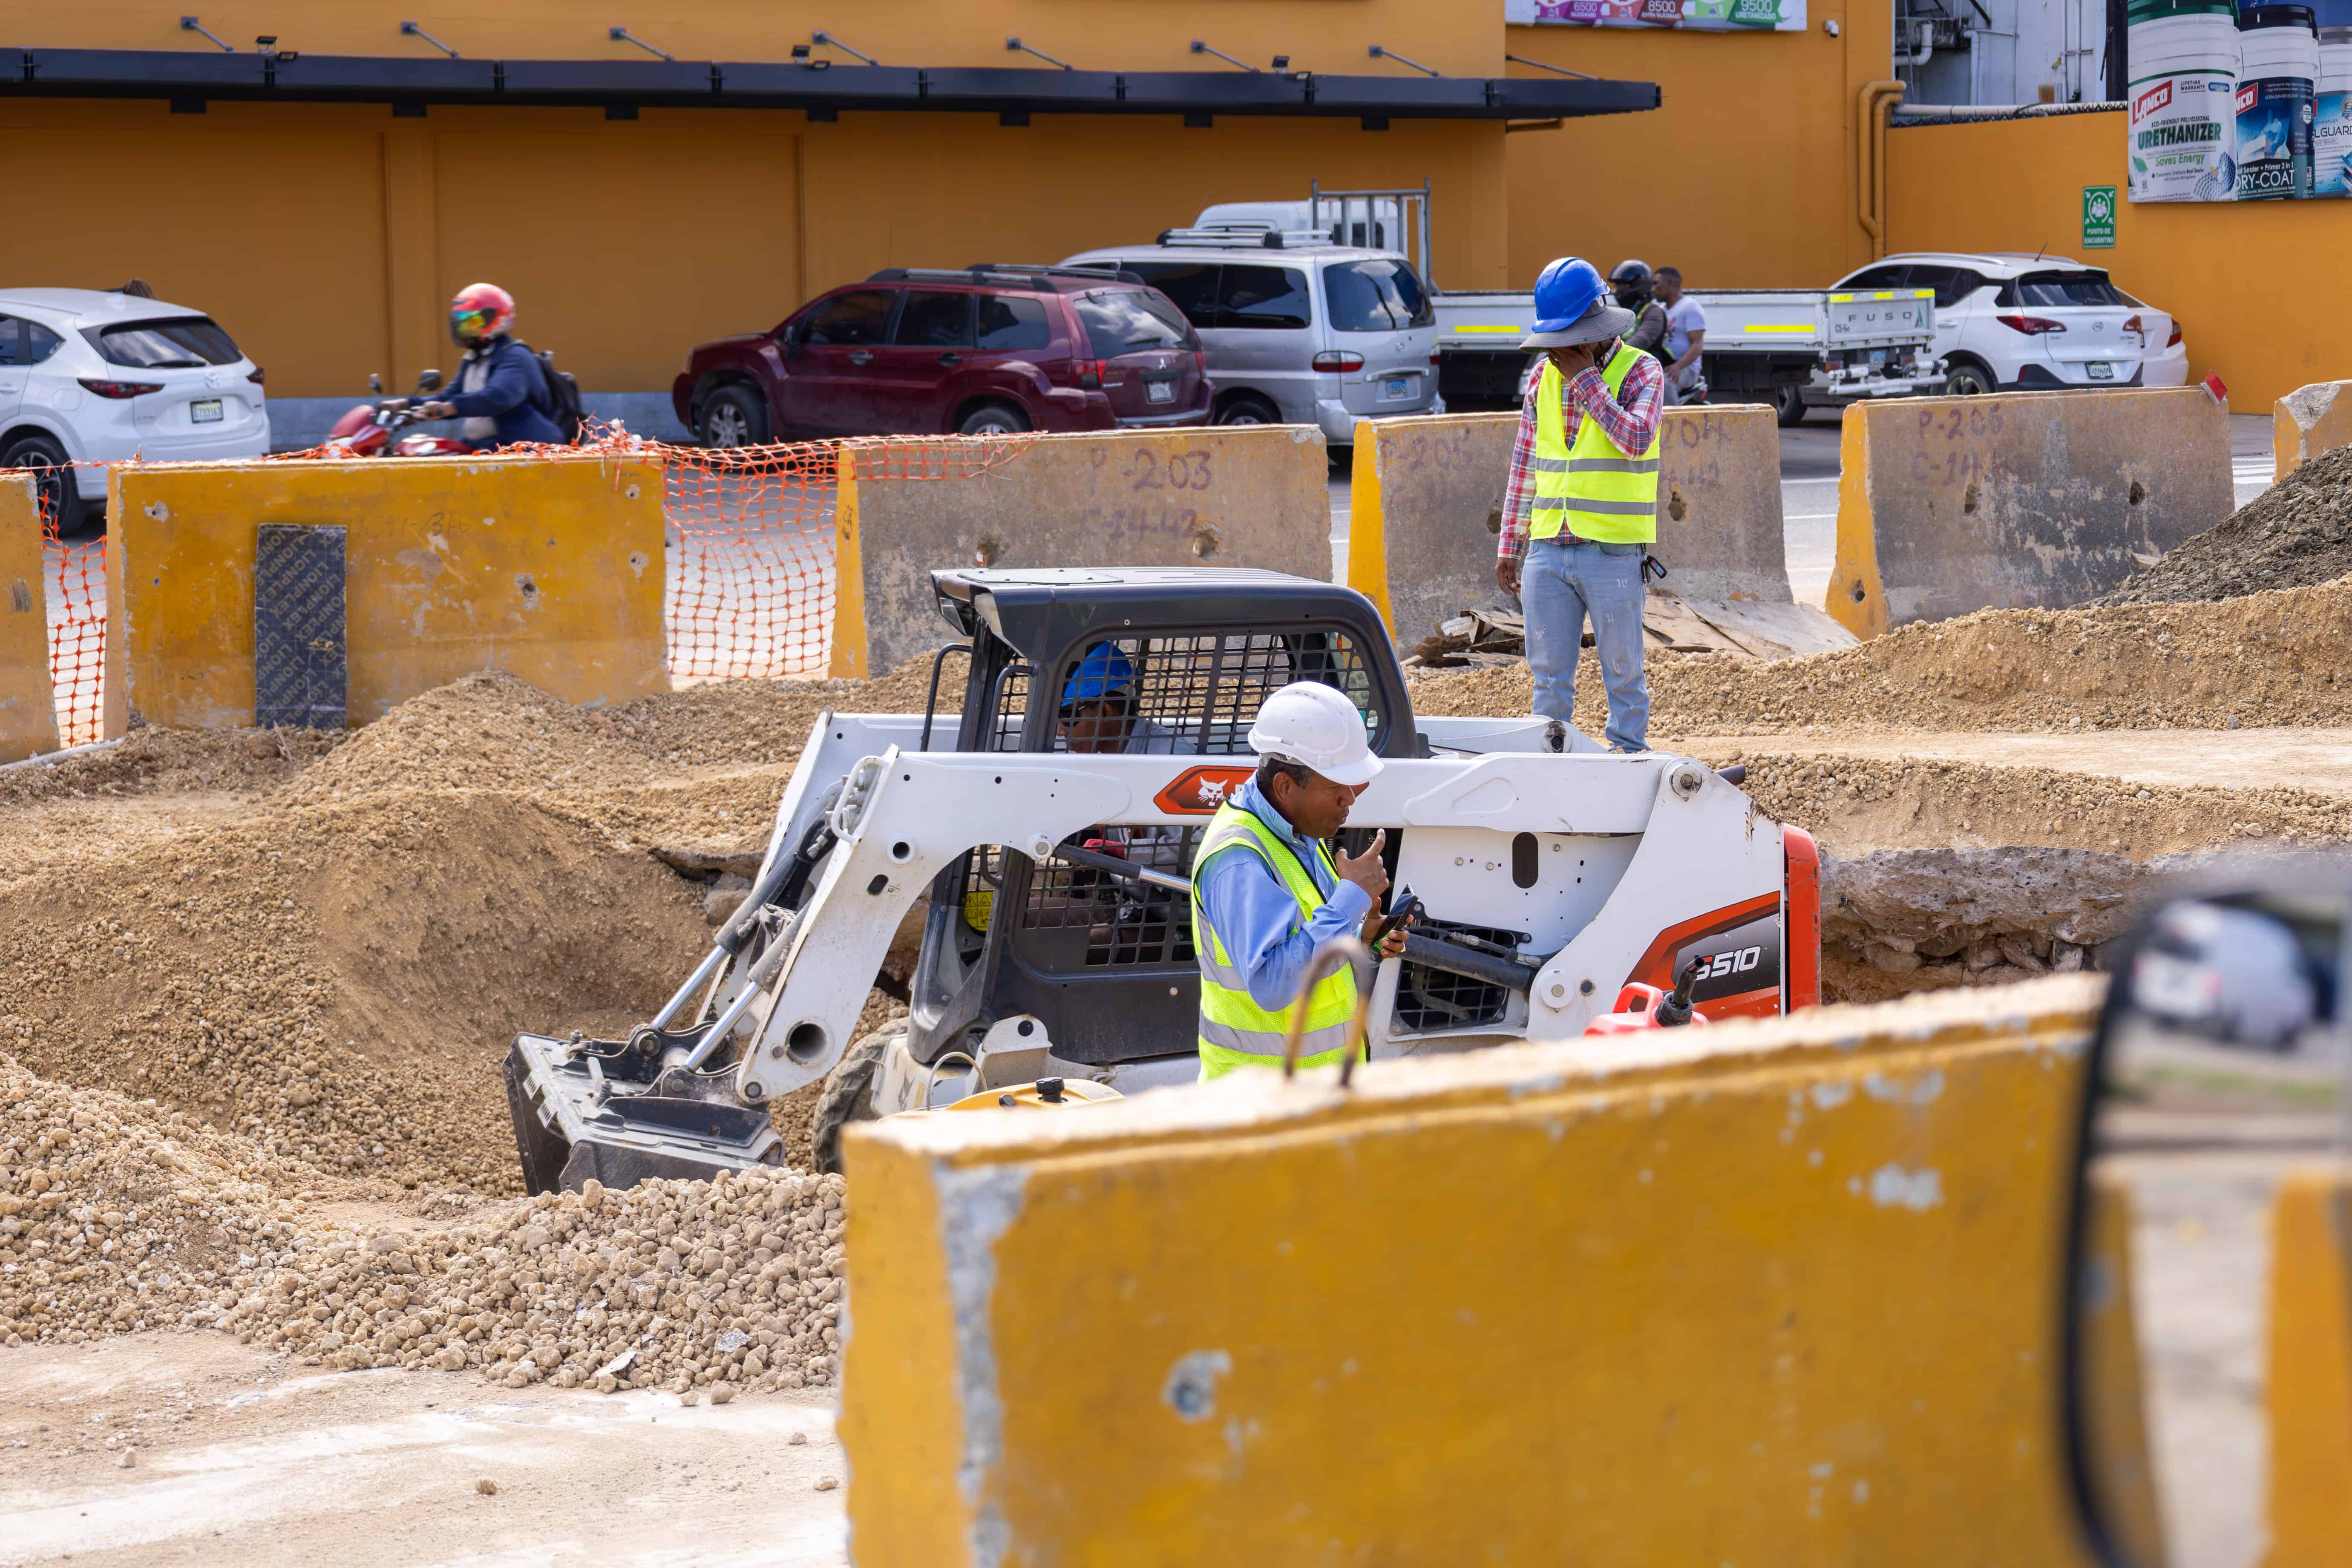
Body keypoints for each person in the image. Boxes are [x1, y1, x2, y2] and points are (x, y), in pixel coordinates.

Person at [1189, 681, 1411, 1080]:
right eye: (1335, 787)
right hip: (1263, 1109)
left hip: (1314, 1098)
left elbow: (1309, 940)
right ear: (1285, 786)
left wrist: (1363, 935)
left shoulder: (1298, 832)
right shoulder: (1238, 859)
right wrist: (1349, 898)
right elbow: (1273, 984)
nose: (1350, 798)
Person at [1494, 256, 1665, 754]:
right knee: (1547, 676)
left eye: (1568, 339)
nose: (1557, 353)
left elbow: (1635, 438)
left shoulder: (1641, 371)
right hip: (1547, 548)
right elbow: (1524, 465)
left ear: (1595, 329)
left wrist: (1587, 380)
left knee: (1622, 670)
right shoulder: (1541, 380)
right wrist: (1511, 543)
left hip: (1612, 551)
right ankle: (1551, 765)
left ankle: (1628, 754)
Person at [413, 283, 569, 449]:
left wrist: (449, 408)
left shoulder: (515, 355)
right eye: (462, 322)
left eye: (472, 322)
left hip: (519, 448)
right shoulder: (473, 357)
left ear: (497, 320)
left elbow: (499, 396)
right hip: (482, 445)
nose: (464, 328)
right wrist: (405, 405)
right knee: (433, 450)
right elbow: (450, 396)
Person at [1653, 266, 1708, 405]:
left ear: (1670, 283)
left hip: (1686, 369)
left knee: (1664, 383)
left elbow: (1698, 344)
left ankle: (1672, 423)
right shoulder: (1662, 310)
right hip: (1666, 364)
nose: (1653, 289)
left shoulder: (1690, 307)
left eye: (1656, 284)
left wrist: (1678, 367)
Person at [1609, 259, 1670, 358]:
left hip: (1648, 370)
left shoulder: (1654, 313)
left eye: (1622, 286)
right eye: (1617, 286)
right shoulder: (1625, 312)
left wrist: (1612, 356)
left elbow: (1641, 340)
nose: (1618, 291)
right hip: (1627, 367)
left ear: (1639, 285)